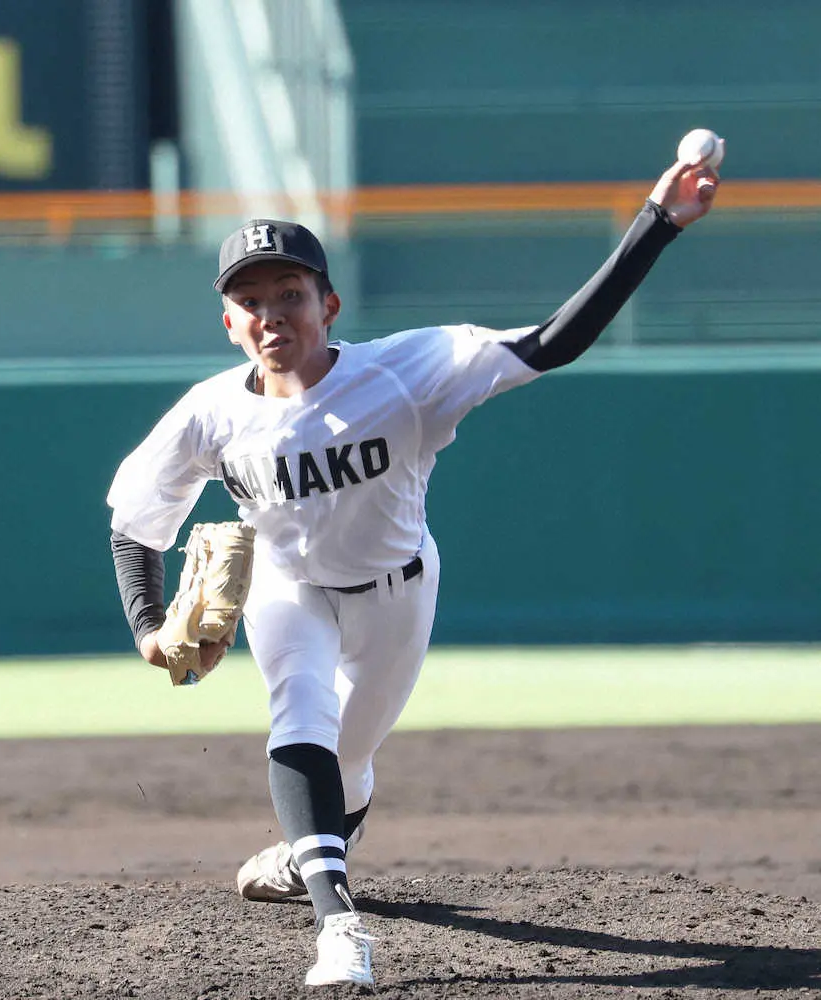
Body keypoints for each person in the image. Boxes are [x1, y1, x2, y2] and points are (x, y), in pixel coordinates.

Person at [107, 153, 720, 989]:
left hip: (397, 590)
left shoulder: (405, 370)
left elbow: (551, 343)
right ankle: (338, 927)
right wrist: (149, 629)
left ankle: (313, 848)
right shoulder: (209, 414)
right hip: (287, 590)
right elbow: (135, 521)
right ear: (229, 323)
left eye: (289, 294)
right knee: (299, 721)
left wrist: (657, 222)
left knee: (350, 762)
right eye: (250, 301)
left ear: (328, 305)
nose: (271, 314)